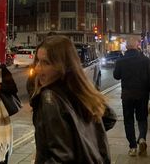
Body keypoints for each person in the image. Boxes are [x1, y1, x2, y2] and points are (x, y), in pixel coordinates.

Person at [30, 35, 111, 164]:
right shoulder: (80, 90)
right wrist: (80, 139)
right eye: (37, 61)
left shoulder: (50, 98)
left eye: (46, 63)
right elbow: (109, 118)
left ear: (62, 65)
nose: (37, 68)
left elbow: (61, 157)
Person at [113, 37, 150, 157]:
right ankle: (141, 138)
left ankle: (133, 147)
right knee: (142, 119)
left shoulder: (121, 60)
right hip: (142, 95)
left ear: (126, 46)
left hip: (127, 96)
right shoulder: (146, 60)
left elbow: (116, 76)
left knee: (128, 121)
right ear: (137, 45)